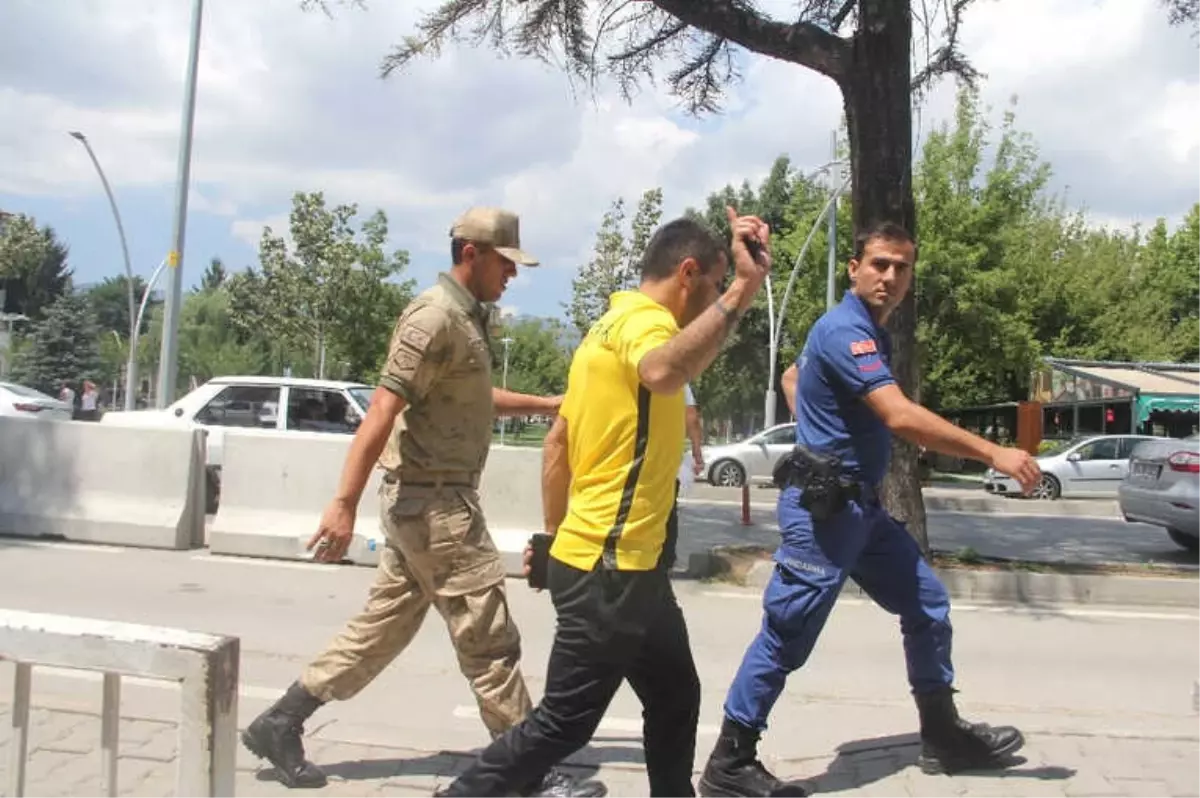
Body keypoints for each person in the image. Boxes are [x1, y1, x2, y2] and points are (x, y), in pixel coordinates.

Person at [241, 207, 593, 797]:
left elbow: (475, 396)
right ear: (471, 255)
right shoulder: (433, 318)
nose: (512, 275)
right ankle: (529, 770)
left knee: (381, 629)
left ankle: (280, 722)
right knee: (489, 637)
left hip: (429, 503)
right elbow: (382, 407)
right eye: (506, 263)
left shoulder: (467, 319)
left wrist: (546, 403)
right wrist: (342, 502)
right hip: (436, 508)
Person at [434, 209, 773, 798]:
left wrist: (555, 539)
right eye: (715, 284)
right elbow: (664, 371)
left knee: (674, 695)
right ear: (688, 273)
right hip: (610, 569)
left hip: (621, 563)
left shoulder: (604, 327)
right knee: (564, 722)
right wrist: (745, 289)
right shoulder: (646, 326)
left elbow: (557, 444)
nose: (718, 298)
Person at [697, 221, 1043, 798]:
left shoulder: (864, 333)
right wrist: (994, 452)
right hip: (824, 518)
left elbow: (794, 375)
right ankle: (730, 762)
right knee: (786, 636)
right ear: (853, 267)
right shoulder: (845, 330)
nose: (890, 276)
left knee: (927, 603)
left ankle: (941, 734)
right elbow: (901, 417)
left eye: (901, 267)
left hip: (863, 512)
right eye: (879, 264)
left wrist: (814, 414)